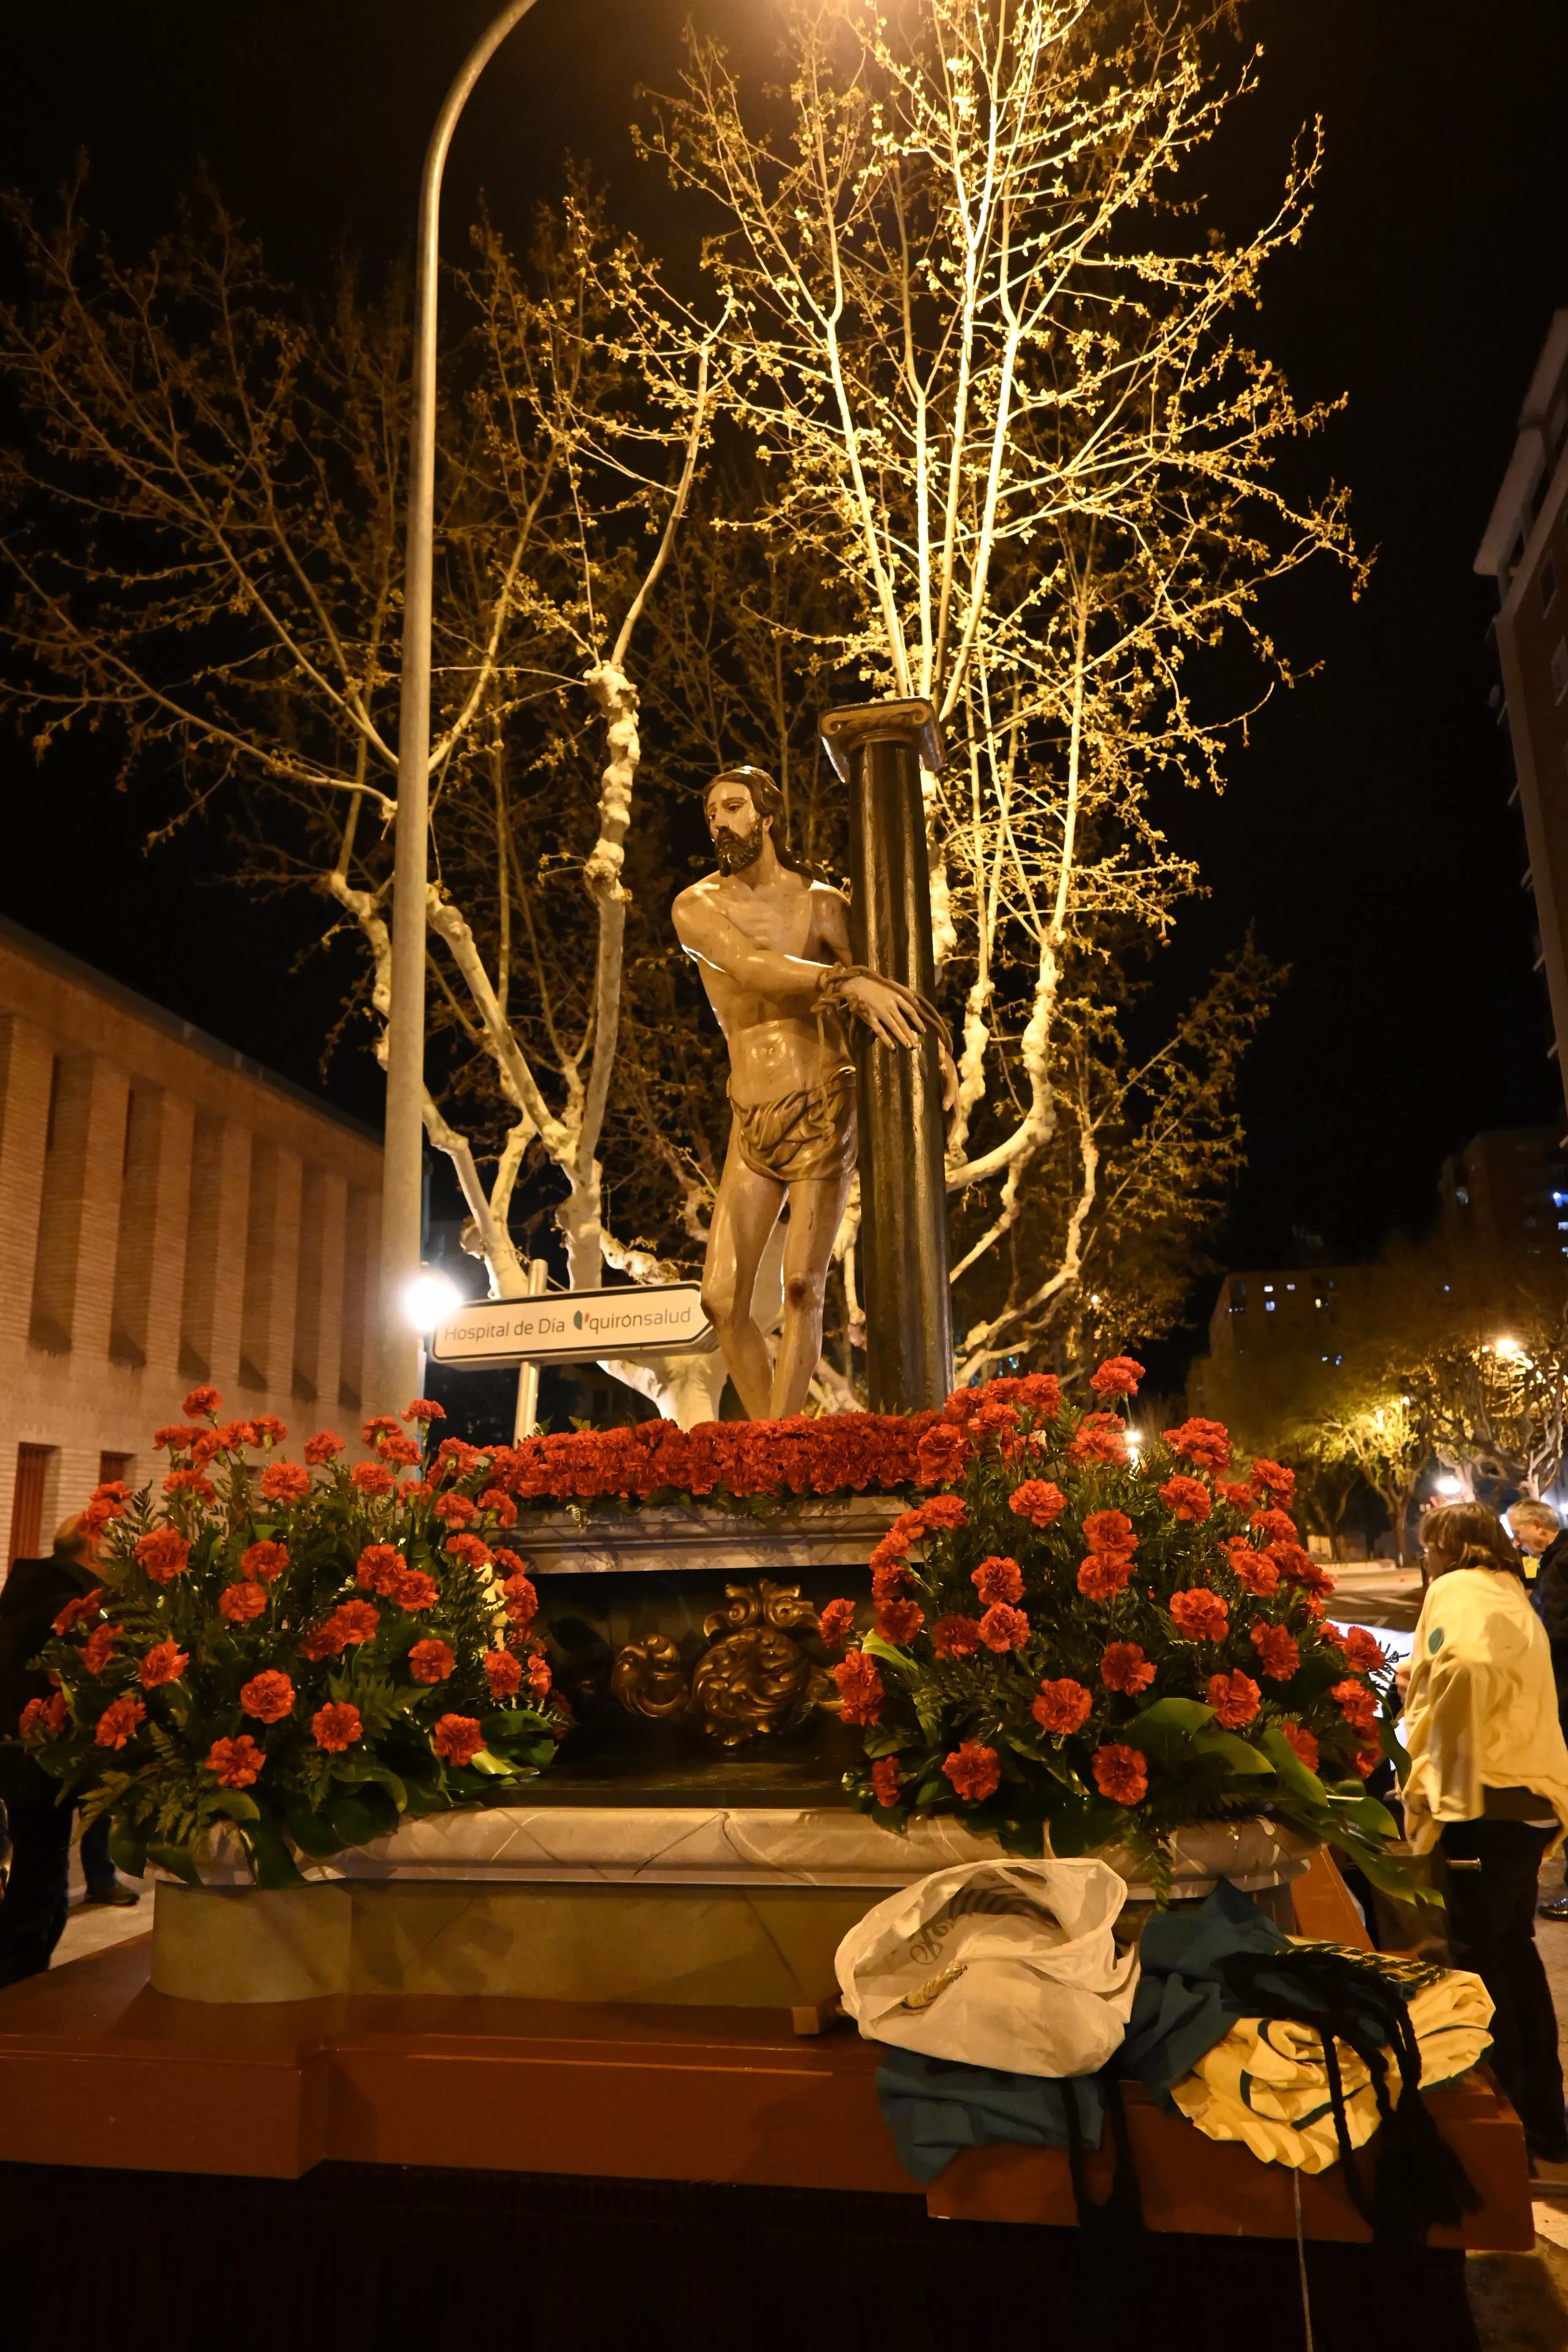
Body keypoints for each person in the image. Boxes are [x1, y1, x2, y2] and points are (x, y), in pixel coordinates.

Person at [672, 765, 944, 1418]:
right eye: (712, 814)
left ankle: (780, 1445)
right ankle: (779, 1445)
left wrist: (939, 1060)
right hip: (751, 1115)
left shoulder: (823, 903)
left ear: (767, 816)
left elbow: (887, 986)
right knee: (720, 1299)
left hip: (822, 1104)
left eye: (734, 809)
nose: (720, 824)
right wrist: (843, 982)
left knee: (801, 1286)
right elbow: (750, 968)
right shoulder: (696, 907)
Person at [1399, 1499, 1568, 2183]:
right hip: (1527, 1795)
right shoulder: (1508, 1590)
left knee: (1481, 1960)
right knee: (1513, 1951)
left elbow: (1463, 1667)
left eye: (1426, 1545)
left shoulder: (1455, 1588)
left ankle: (1503, 2135)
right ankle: (1546, 2122)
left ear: (1442, 1545)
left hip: (1483, 1799)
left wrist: (1435, 1742)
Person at [0, 1515, 117, 1983]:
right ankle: (21, 2010)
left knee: (38, 1888)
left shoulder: (31, 1589)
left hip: (28, 1763)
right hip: (38, 1764)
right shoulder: (68, 1603)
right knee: (36, 1897)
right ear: (92, 1546)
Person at [1509, 1498, 1568, 1920]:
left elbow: (1556, 1629)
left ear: (1536, 1524)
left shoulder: (1561, 1563)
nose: (1517, 1542)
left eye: (1518, 1533)